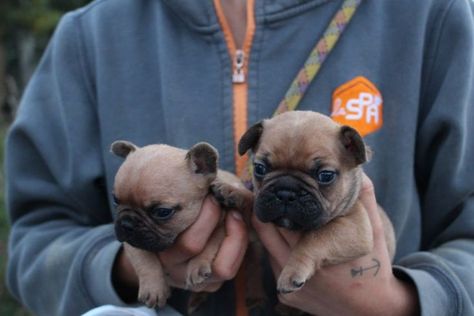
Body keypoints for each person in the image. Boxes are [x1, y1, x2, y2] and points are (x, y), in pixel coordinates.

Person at [4, 0, 474, 315]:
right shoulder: (92, 36)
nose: (283, 191)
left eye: (321, 176)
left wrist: (405, 301)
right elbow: (37, 238)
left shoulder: (433, 16)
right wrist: (129, 267)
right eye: (264, 171)